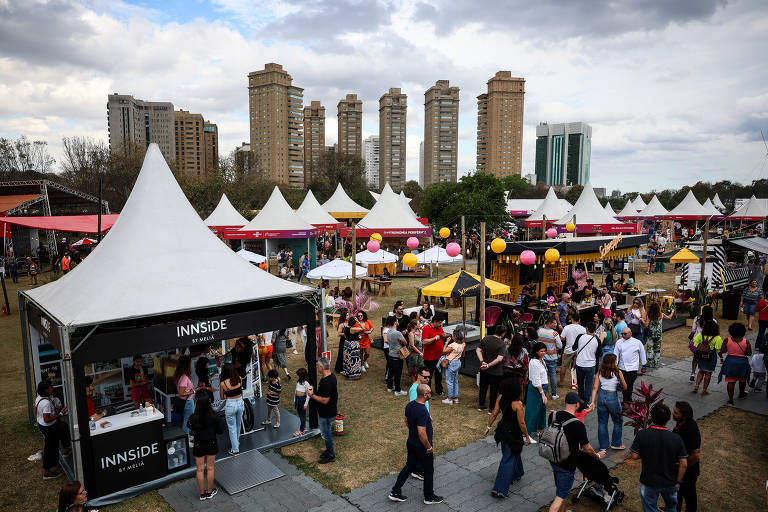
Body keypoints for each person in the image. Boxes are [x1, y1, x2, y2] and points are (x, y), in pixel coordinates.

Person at [388, 384, 444, 505]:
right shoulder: (423, 411)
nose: (430, 394)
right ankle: (429, 496)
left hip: (411, 442)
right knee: (429, 470)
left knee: (409, 467)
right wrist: (428, 447)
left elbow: (406, 420)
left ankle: (395, 491)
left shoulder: (410, 405)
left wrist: (412, 431)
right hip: (422, 447)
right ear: (424, 395)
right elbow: (421, 432)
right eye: (429, 393)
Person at [547, 392, 601, 512]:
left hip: (553, 458)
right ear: (577, 405)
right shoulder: (577, 424)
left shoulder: (553, 415)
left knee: (561, 490)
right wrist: (597, 455)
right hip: (567, 464)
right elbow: (587, 448)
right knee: (560, 497)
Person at [630, 403, 688, 512]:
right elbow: (683, 464)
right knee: (671, 508)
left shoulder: (642, 434)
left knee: (650, 508)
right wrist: (678, 482)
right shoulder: (676, 438)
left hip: (649, 482)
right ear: (668, 419)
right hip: (670, 482)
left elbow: (634, 455)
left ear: (652, 417)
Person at [486, 376, 530, 498]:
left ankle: (517, 473)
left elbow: (494, 413)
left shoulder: (500, 398)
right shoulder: (518, 404)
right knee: (507, 460)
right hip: (513, 435)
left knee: (511, 454)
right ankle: (499, 489)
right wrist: (526, 436)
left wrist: (488, 427)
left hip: (502, 431)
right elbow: (522, 423)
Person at [187, 394, 224, 501]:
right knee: (210, 468)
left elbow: (189, 426)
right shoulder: (215, 416)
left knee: (199, 469)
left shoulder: (193, 417)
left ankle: (202, 494)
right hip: (211, 443)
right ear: (209, 403)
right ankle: (209, 492)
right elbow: (220, 431)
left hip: (199, 445)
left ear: (197, 404)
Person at [590, 354, 627, 455]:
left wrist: (592, 402)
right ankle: (616, 443)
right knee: (618, 421)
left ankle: (603, 446)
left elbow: (595, 388)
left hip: (601, 396)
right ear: (613, 362)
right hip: (612, 397)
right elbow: (625, 387)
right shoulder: (618, 372)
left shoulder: (600, 372)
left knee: (602, 422)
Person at [35, 380, 71, 479]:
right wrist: (60, 414)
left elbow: (36, 410)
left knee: (63, 427)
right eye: (51, 387)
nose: (53, 388)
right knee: (50, 447)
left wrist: (53, 408)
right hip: (48, 427)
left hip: (43, 425)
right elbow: (46, 419)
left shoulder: (39, 398)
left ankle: (66, 450)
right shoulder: (46, 403)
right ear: (46, 390)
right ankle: (47, 472)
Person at [673, 401, 701, 512]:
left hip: (688, 472)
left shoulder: (691, 430)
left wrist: (682, 468)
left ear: (684, 415)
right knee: (677, 494)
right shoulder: (680, 423)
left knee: (690, 498)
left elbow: (696, 456)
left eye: (676, 413)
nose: (673, 414)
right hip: (679, 468)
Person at [308, 357, 338, 463]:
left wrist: (312, 395)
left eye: (318, 366)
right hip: (328, 411)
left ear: (321, 367)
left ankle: (330, 455)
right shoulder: (330, 377)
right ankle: (329, 450)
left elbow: (325, 400)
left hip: (327, 413)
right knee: (326, 433)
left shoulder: (327, 382)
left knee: (326, 435)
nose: (317, 368)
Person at [718, 322, 752, 406]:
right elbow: (749, 353)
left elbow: (723, 350)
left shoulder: (727, 340)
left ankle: (730, 399)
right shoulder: (746, 341)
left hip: (730, 362)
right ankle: (741, 393)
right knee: (742, 380)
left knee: (730, 381)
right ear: (743, 332)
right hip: (742, 363)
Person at [476, 324, 507, 412]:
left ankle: (481, 405)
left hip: (483, 369)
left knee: (483, 387)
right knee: (494, 390)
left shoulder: (486, 338)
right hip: (495, 371)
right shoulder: (502, 344)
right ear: (503, 334)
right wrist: (488, 365)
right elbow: (499, 359)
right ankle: (492, 408)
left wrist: (482, 362)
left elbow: (478, 350)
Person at [615, 327, 647, 403]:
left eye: (625, 334)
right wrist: (615, 365)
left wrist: (644, 365)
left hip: (633, 368)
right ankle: (627, 400)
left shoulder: (637, 342)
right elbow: (615, 354)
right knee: (624, 385)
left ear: (630, 333)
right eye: (622, 334)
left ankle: (627, 401)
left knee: (629, 385)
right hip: (622, 367)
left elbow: (642, 353)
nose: (623, 335)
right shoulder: (619, 342)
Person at [524, 342, 549, 440]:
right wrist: (542, 393)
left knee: (541, 410)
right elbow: (536, 380)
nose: (543, 353)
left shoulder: (541, 360)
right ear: (536, 351)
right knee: (533, 411)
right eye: (541, 351)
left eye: (544, 351)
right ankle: (527, 434)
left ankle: (539, 430)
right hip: (536, 389)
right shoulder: (534, 362)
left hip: (543, 387)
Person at [692, 320, 723, 395]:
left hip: (701, 356)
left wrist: (696, 353)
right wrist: (721, 358)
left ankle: (696, 386)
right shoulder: (717, 338)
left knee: (701, 371)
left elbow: (694, 344)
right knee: (708, 374)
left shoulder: (700, 335)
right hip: (711, 357)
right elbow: (718, 350)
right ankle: (704, 390)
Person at [218, 364, 244, 455]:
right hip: (240, 403)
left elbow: (222, 397)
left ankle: (235, 449)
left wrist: (228, 394)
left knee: (231, 427)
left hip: (230, 405)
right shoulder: (240, 378)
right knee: (238, 425)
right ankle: (236, 442)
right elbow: (239, 391)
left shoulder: (223, 383)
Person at [573, 321, 600, 404]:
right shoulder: (597, 339)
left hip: (580, 363)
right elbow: (599, 354)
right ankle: (586, 403)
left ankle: (580, 401)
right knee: (588, 385)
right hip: (591, 365)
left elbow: (574, 348)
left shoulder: (580, 336)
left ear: (586, 329)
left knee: (580, 384)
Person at [688, 305, 717, 380]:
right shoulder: (713, 321)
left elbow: (693, 330)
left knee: (695, 357)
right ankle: (703, 372)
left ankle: (693, 373)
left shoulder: (697, 318)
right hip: (707, 344)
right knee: (705, 357)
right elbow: (715, 333)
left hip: (696, 343)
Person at [538, 315, 562, 399]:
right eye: (554, 323)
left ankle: (542, 393)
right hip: (552, 358)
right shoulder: (554, 333)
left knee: (541, 376)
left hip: (541, 357)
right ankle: (554, 394)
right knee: (552, 376)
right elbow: (560, 345)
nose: (556, 325)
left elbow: (537, 342)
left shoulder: (539, 330)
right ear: (549, 323)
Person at [559, 313, 585, 388]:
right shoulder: (583, 328)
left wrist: (568, 338)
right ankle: (576, 383)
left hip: (568, 350)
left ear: (572, 319)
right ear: (579, 320)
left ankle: (561, 382)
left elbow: (562, 338)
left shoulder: (567, 327)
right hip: (578, 350)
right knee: (576, 368)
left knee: (564, 366)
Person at [421, 316, 446, 396]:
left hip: (439, 356)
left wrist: (443, 336)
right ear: (434, 321)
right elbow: (424, 341)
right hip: (429, 357)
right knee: (429, 375)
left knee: (439, 374)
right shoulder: (426, 328)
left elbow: (440, 335)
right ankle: (428, 392)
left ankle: (439, 390)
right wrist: (435, 338)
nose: (440, 324)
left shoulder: (439, 328)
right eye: (439, 322)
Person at [645, 302, 673, 369]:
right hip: (658, 335)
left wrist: (640, 319)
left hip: (651, 334)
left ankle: (650, 363)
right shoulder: (661, 314)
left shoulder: (649, 315)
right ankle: (656, 363)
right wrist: (672, 312)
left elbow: (646, 324)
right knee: (657, 349)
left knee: (650, 348)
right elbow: (669, 317)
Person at [441, 327, 465, 404]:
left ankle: (450, 398)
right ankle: (456, 397)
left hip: (451, 363)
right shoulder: (462, 344)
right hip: (457, 362)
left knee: (449, 381)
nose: (451, 337)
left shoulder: (453, 345)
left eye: (452, 336)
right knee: (455, 381)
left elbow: (443, 351)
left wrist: (446, 342)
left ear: (455, 337)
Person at [174, 355, 196, 435]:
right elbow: (181, 393)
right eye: (190, 363)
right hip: (188, 402)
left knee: (187, 420)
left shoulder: (182, 376)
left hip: (188, 401)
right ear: (187, 365)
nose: (191, 365)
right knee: (187, 421)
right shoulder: (184, 377)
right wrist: (193, 392)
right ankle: (186, 438)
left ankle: (187, 436)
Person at [387, 318, 408, 395]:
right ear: (395, 322)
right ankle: (398, 390)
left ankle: (389, 387)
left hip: (391, 354)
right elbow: (405, 342)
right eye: (397, 321)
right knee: (397, 373)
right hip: (397, 355)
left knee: (390, 371)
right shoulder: (397, 333)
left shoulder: (388, 331)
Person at [292, 367, 311, 437]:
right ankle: (304, 427)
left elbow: (308, 395)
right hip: (297, 399)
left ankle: (301, 430)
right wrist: (295, 400)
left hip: (302, 400)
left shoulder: (307, 383)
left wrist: (306, 404)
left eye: (299, 375)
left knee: (302, 415)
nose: (298, 376)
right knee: (300, 414)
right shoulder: (298, 382)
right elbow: (295, 391)